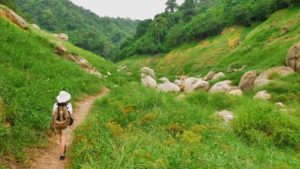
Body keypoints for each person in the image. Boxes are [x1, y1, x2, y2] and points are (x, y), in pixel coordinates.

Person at [52, 91, 73, 160]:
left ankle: (62, 148)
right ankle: (62, 154)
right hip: (65, 124)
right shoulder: (68, 105)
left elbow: (53, 114)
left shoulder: (56, 104)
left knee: (60, 137)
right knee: (63, 137)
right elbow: (71, 114)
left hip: (57, 123)